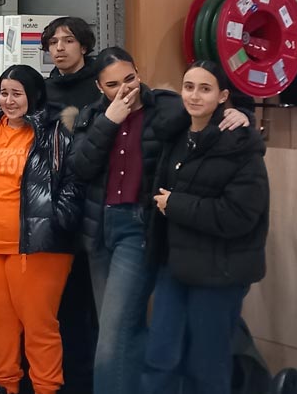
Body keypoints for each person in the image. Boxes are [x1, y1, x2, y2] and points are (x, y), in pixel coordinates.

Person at [66, 48, 247, 394]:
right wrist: (109, 120)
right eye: (112, 85)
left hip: (138, 227)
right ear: (99, 87)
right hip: (100, 228)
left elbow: (207, 110)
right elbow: (81, 167)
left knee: (114, 337)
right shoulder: (92, 115)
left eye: (130, 79)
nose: (125, 90)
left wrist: (240, 114)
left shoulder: (164, 106)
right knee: (116, 332)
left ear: (138, 72)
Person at [141, 61, 268, 394]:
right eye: (188, 87)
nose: (194, 96)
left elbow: (240, 214)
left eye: (205, 89)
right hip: (174, 265)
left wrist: (176, 205)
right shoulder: (176, 135)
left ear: (223, 96)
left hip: (219, 271)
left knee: (206, 366)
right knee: (159, 358)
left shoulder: (240, 144)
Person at [0, 65, 79, 394]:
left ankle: (46, 389)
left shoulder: (54, 131)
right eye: (3, 93)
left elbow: (73, 180)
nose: (8, 101)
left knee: (39, 327)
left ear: (33, 96)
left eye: (16, 94)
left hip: (35, 248)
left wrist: (56, 220)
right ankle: (7, 386)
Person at [40, 16, 100, 394]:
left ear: (84, 45)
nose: (60, 48)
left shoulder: (100, 85)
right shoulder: (43, 89)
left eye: (68, 41)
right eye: (53, 42)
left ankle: (84, 382)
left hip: (91, 208)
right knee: (54, 307)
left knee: (85, 309)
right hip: (51, 207)